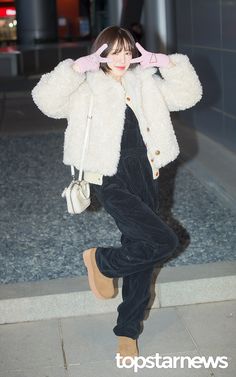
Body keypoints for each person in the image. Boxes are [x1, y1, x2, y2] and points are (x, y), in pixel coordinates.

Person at [32, 26, 202, 361]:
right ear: (101, 53)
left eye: (127, 51)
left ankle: (127, 329)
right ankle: (102, 262)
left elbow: (189, 95)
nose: (122, 59)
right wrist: (74, 69)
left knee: (143, 247)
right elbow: (45, 101)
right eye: (114, 52)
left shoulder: (146, 82)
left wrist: (167, 63)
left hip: (146, 172)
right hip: (109, 177)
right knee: (165, 242)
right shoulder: (86, 87)